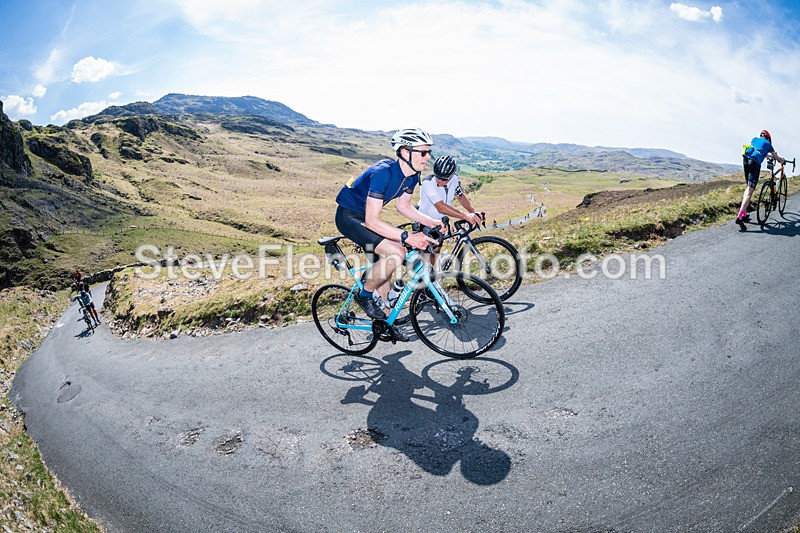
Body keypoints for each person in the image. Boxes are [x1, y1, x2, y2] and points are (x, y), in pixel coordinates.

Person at [335, 127, 442, 320]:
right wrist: (407, 236)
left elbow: (404, 206)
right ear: (404, 152)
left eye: (429, 152)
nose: (427, 157)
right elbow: (371, 221)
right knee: (397, 251)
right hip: (349, 217)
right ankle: (364, 295)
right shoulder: (383, 172)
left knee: (387, 265)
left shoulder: (412, 175)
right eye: (423, 152)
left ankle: (384, 322)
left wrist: (432, 221)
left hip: (367, 217)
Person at [417, 155, 484, 227]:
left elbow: (460, 196)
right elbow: (441, 207)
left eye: (444, 179)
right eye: (438, 177)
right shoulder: (427, 182)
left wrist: (473, 213)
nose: (439, 181)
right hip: (424, 222)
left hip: (441, 222)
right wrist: (466, 216)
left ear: (451, 175)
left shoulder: (455, 178)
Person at [737, 129, 785, 229]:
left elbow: (758, 150)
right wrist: (782, 160)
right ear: (768, 138)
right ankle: (740, 216)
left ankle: (744, 214)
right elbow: (778, 158)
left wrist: (766, 155)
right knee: (750, 191)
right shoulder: (768, 144)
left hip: (746, 159)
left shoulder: (754, 139)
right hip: (755, 163)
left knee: (748, 188)